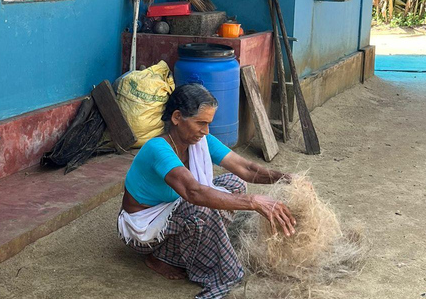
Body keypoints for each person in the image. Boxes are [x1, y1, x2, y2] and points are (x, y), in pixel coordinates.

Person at [117, 83, 297, 299]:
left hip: (173, 212)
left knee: (234, 183)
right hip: (143, 229)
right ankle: (161, 258)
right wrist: (253, 201)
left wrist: (286, 179)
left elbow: (246, 169)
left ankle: (196, 247)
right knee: (203, 206)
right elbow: (194, 193)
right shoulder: (157, 149)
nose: (206, 131)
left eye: (208, 124)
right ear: (176, 117)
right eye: (200, 123)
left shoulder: (201, 141)